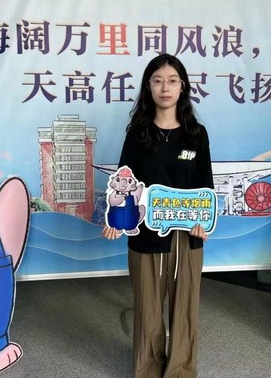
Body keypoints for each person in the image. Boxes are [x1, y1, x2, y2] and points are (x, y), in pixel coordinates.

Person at [102, 53, 213, 378]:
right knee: (148, 307)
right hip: (146, 236)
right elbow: (123, 182)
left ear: (183, 87)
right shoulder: (138, 134)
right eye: (158, 81)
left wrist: (203, 222)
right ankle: (148, 368)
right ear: (148, 87)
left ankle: (180, 369)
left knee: (185, 307)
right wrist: (115, 220)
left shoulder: (196, 134)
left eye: (172, 81)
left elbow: (204, 184)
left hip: (186, 237)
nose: (165, 87)